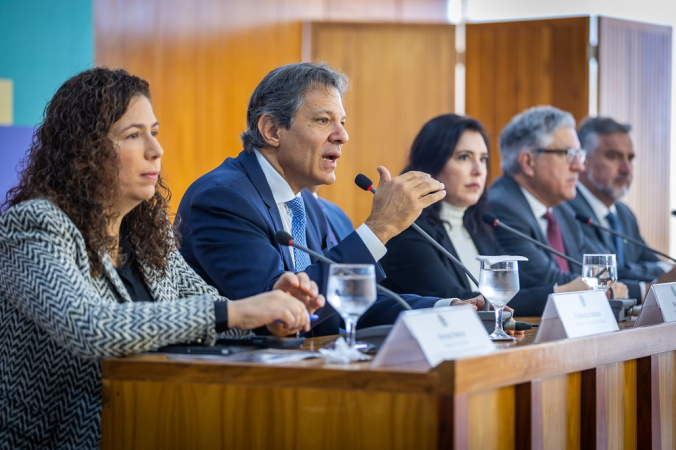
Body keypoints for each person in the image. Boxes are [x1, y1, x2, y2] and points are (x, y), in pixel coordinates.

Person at [0, 68, 322, 449]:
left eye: (154, 132)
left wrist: (270, 314)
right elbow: (90, 327)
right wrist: (239, 312)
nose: (156, 149)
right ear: (83, 150)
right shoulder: (34, 225)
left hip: (148, 422)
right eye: (134, 135)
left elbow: (213, 311)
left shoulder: (145, 235)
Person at [176, 62, 483, 336]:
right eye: (323, 120)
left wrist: (445, 308)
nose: (342, 136)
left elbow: (351, 304)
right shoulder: (222, 198)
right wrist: (380, 227)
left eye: (342, 122)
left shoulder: (306, 203)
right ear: (272, 130)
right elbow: (276, 313)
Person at [380, 114, 587, 315]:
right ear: (431, 163)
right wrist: (560, 293)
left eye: (483, 159)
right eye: (464, 157)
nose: (478, 170)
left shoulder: (479, 225)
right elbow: (458, 300)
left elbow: (512, 291)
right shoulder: (410, 230)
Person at [486, 106, 630, 302]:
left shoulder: (562, 210)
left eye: (580, 155)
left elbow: (596, 271)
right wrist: (640, 289)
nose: (579, 167)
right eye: (569, 154)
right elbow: (549, 282)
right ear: (528, 162)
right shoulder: (500, 207)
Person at [568, 116, 670, 287]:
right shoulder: (567, 209)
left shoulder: (624, 213)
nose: (626, 169)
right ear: (583, 159)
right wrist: (655, 272)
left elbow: (657, 263)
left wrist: (659, 270)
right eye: (614, 157)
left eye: (630, 158)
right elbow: (603, 274)